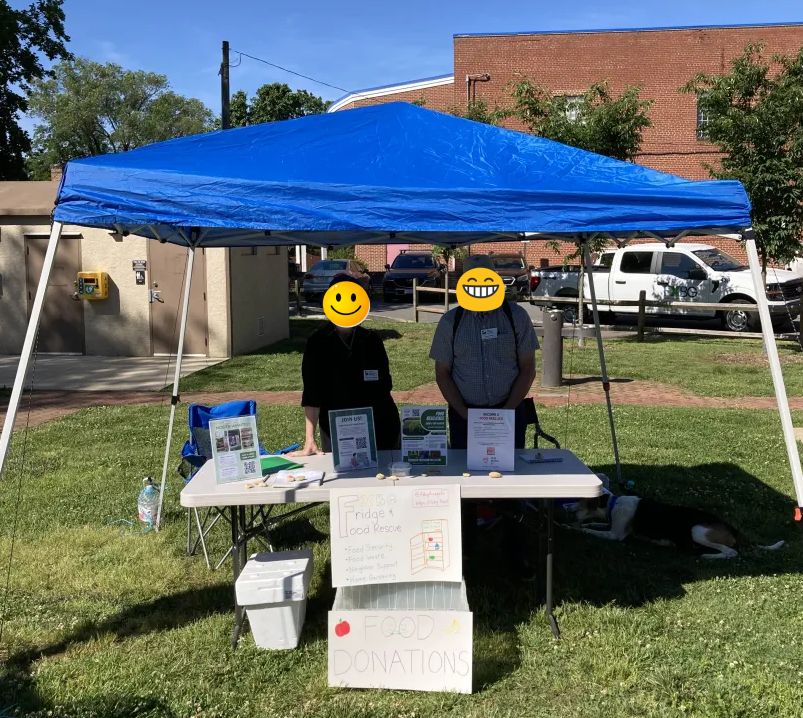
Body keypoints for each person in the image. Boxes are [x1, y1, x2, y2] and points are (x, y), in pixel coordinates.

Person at [429, 257, 539, 449]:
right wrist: (464, 413)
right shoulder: (450, 322)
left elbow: (528, 368)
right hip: (464, 417)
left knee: (510, 474)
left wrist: (507, 410)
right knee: (465, 474)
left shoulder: (517, 316)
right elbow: (442, 373)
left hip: (509, 412)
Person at [292, 276, 401, 455]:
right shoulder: (318, 342)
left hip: (381, 427)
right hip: (338, 430)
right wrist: (309, 440)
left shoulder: (371, 340)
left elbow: (385, 385)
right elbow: (312, 393)